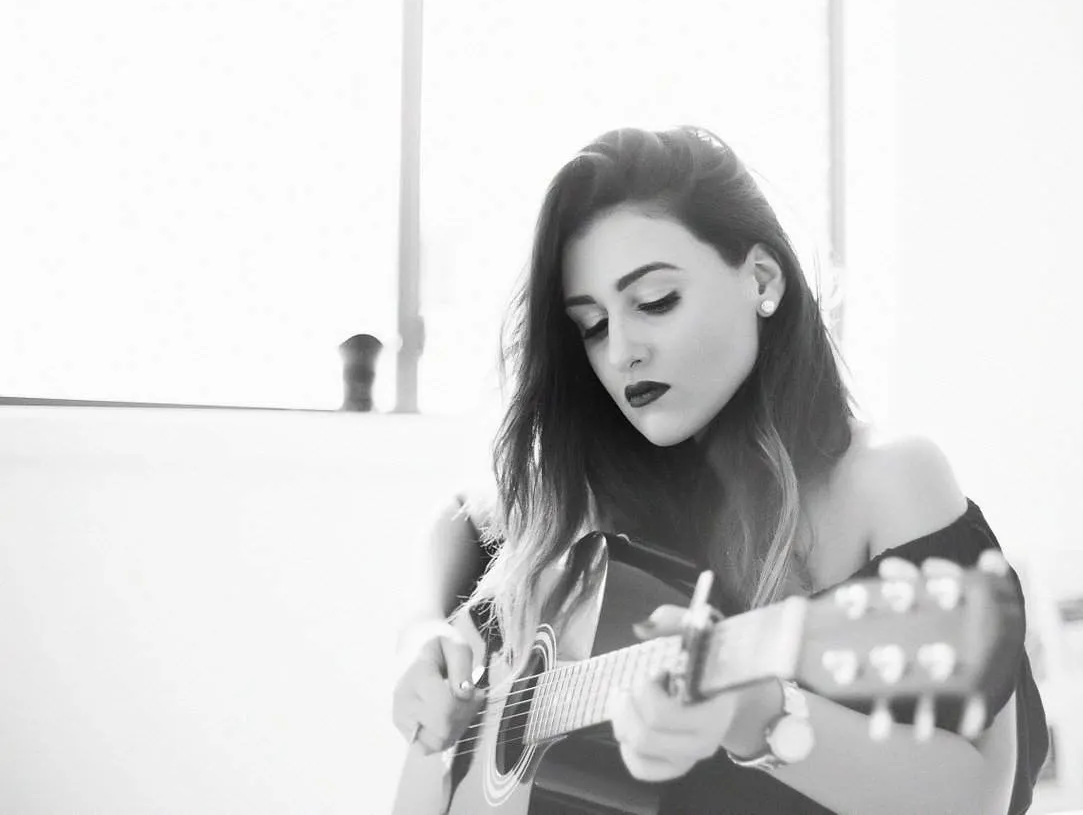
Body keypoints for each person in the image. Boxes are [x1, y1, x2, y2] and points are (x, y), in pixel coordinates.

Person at [391, 126, 1047, 814]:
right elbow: (461, 521)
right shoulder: (586, 498)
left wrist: (757, 711)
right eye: (591, 324)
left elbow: (977, 795)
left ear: (762, 278)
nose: (620, 352)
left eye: (654, 302)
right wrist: (427, 636)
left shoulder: (888, 480)